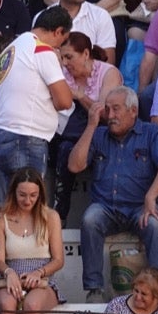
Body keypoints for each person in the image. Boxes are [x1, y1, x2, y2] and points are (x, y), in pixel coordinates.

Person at [68, 86, 158, 303]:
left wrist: (151, 197)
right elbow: (74, 165)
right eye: (107, 109)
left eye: (116, 109)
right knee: (90, 219)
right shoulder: (98, 134)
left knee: (154, 224)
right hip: (106, 208)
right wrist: (91, 126)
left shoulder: (152, 133)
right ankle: (94, 290)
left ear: (133, 111)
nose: (110, 115)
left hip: (140, 207)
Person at [0, 7, 73, 202]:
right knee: (29, 209)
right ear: (58, 31)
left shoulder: (11, 48)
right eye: (63, 40)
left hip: (2, 135)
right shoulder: (41, 49)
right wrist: (58, 66)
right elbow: (64, 102)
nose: (60, 47)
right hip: (26, 139)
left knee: (9, 206)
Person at [55, 32, 124, 218]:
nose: (65, 63)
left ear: (86, 54)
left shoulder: (108, 73)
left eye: (69, 57)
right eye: (62, 58)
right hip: (68, 133)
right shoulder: (63, 73)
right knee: (65, 148)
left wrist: (79, 96)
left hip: (102, 130)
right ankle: (59, 212)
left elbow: (104, 114)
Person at [0, 168, 64, 314]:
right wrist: (9, 273)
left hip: (43, 280)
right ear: (13, 193)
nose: (27, 200)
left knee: (32, 306)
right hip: (11, 279)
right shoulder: (1, 218)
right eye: (22, 195)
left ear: (40, 194)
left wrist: (39, 272)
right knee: (6, 306)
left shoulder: (50, 216)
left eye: (33, 195)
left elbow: (58, 260)